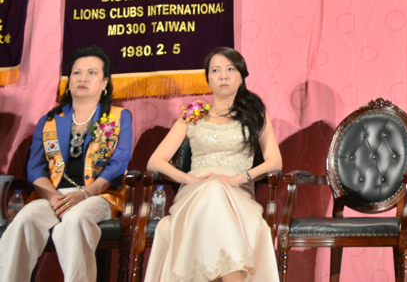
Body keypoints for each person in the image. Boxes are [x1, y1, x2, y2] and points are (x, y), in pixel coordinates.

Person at [142, 47, 282, 282]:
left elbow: (275, 161)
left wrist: (239, 178)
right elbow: (154, 161)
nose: (223, 76)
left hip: (237, 193)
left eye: (230, 69)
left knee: (216, 189)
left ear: (241, 77)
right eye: (216, 71)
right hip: (195, 192)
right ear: (208, 78)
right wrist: (188, 179)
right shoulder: (193, 114)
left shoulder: (255, 114)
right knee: (212, 188)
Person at [0, 46, 134, 282]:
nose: (83, 78)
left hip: (99, 195)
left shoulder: (119, 116)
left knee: (75, 219)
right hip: (53, 196)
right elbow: (35, 168)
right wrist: (54, 197)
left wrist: (84, 194)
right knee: (23, 221)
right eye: (77, 72)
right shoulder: (50, 120)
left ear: (105, 83)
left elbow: (118, 163)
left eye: (92, 73)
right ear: (69, 80)